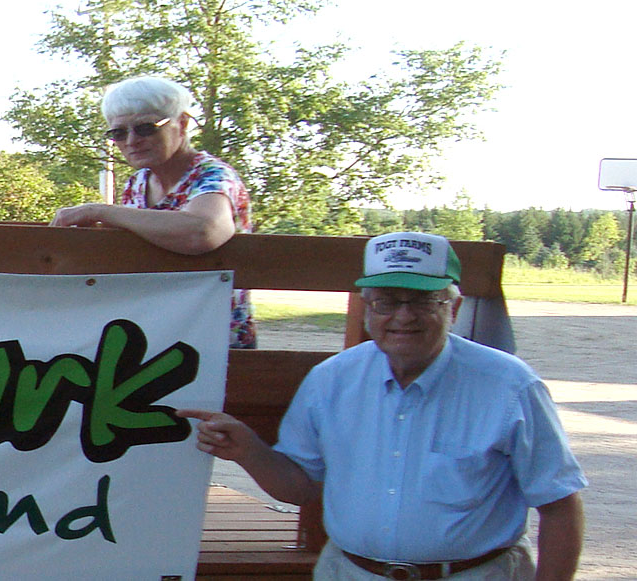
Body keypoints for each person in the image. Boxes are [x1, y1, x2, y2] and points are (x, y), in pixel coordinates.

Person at [178, 231, 586, 581]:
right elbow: (301, 486)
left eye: (423, 300)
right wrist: (248, 450)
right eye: (387, 301)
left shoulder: (510, 387)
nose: (403, 317)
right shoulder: (331, 380)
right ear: (368, 308)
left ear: (454, 308)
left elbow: (560, 506)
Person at [49, 76, 257, 348]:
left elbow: (203, 231)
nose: (132, 141)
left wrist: (100, 211)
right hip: (155, 336)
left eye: (146, 128)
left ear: (182, 124)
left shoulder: (212, 175)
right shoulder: (137, 184)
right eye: (119, 133)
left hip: (212, 342)